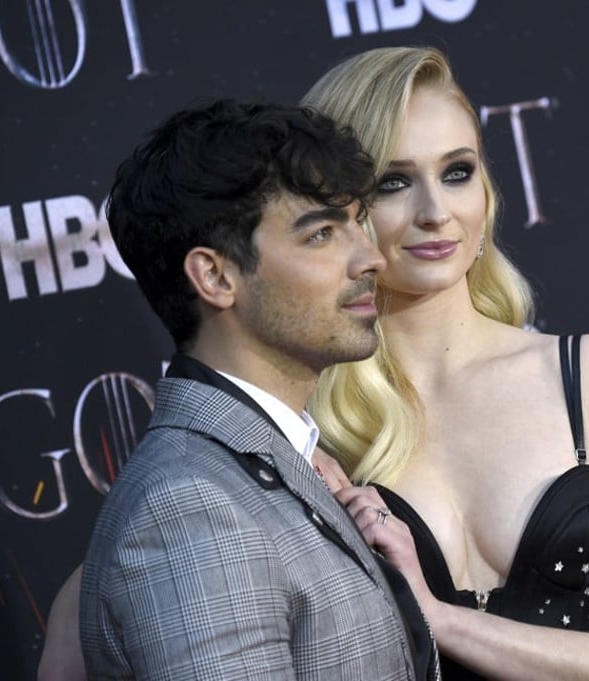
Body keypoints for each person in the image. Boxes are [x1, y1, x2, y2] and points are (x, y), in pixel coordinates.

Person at [300, 46, 589, 680]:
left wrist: (439, 619)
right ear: (337, 211)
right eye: (393, 182)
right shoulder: (302, 427)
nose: (436, 211)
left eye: (457, 171)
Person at [70, 98, 438, 680]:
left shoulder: (272, 466)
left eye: (355, 222)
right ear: (215, 276)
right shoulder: (189, 509)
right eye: (320, 234)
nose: (370, 257)